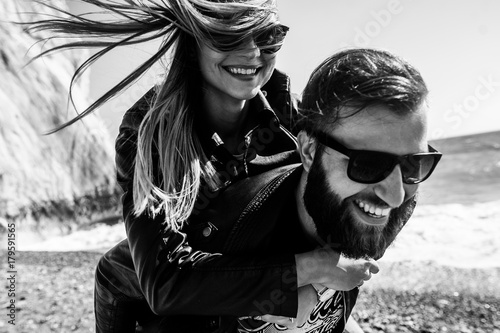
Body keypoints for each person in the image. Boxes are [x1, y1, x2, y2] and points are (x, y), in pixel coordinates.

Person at [25, 0, 376, 332]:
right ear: (195, 40)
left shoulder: (291, 114)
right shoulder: (149, 131)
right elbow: (166, 282)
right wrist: (310, 270)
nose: (252, 52)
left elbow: (352, 198)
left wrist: (316, 286)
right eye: (229, 34)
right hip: (146, 300)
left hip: (249, 283)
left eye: (268, 37)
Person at [143, 47, 442, 332]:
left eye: (414, 164)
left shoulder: (388, 198)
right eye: (367, 165)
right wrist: (306, 272)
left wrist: (322, 297)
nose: (395, 195)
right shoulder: (233, 239)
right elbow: (165, 284)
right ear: (309, 151)